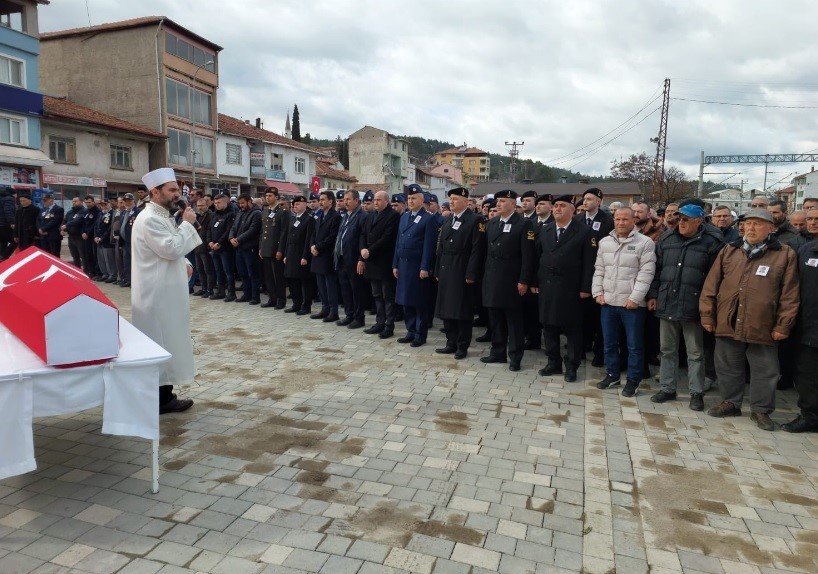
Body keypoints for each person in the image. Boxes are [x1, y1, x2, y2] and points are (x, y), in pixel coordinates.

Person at [701, 209, 799, 430]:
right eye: (748, 224)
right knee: (727, 364)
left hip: (762, 323)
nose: (751, 228)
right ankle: (730, 402)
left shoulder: (784, 254)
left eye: (758, 224)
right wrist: (707, 314)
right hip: (729, 318)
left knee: (766, 369)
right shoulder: (730, 250)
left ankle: (761, 410)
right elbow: (711, 285)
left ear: (771, 228)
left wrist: (783, 325)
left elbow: (790, 294)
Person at [131, 168, 201, 414]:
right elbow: (170, 248)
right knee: (161, 342)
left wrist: (186, 264)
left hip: (166, 291)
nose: (176, 195)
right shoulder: (150, 218)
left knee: (169, 341)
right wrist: (188, 225)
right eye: (171, 190)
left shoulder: (162, 216)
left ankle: (164, 394)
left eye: (176, 190)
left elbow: (171, 252)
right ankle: (161, 399)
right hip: (157, 295)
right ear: (154, 192)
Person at [648, 203, 723, 410]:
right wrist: (653, 295)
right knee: (667, 350)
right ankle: (667, 388)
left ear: (699, 221)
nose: (680, 222)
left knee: (695, 353)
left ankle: (696, 393)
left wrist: (709, 306)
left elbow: (715, 279)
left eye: (686, 219)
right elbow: (657, 270)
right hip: (667, 302)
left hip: (694, 305)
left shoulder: (712, 242)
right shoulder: (666, 238)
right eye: (679, 218)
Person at [593, 207, 656, 397]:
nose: (621, 223)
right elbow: (599, 270)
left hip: (632, 305)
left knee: (634, 345)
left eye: (625, 219)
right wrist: (597, 292)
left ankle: (633, 380)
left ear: (633, 220)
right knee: (609, 342)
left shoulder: (645, 243)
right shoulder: (605, 242)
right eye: (617, 219)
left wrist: (635, 298)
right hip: (608, 302)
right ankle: (612, 374)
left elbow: (646, 273)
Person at [532, 195, 595, 382]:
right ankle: (553, 362)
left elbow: (589, 263)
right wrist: (535, 282)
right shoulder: (546, 230)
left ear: (572, 210)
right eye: (556, 206)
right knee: (548, 326)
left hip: (571, 289)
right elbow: (537, 258)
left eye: (562, 206)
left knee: (572, 329)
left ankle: (572, 366)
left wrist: (586, 287)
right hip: (547, 287)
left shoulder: (584, 231)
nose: (557, 209)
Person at [480, 190, 535, 371]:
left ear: (513, 203)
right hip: (493, 279)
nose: (498, 204)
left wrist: (524, 280)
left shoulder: (523, 224)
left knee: (514, 322)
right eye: (498, 201)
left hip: (512, 280)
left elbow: (528, 256)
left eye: (503, 201)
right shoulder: (493, 223)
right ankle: (498, 352)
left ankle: (515, 357)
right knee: (495, 320)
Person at [434, 187, 487, 360]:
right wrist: (437, 269)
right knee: (447, 309)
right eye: (451, 199)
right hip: (446, 270)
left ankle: (462, 346)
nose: (452, 202)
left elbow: (477, 250)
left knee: (462, 311)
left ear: (465, 201)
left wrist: (471, 273)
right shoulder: (448, 220)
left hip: (462, 271)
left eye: (456, 199)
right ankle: (451, 342)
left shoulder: (475, 220)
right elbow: (440, 248)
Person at [393, 184, 438, 347]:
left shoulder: (429, 218)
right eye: (409, 198)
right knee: (406, 301)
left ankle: (420, 334)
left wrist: (425, 267)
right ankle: (410, 331)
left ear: (422, 199)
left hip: (417, 267)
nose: (411, 201)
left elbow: (429, 245)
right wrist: (395, 264)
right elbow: (399, 242)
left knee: (419, 302)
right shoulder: (404, 217)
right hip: (404, 266)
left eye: (414, 198)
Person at [781, 234, 818, 432]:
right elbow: (792, 286)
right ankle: (810, 417)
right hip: (807, 327)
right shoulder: (807, 250)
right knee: (806, 376)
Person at [577, 188, 614, 367]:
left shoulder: (608, 221)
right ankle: (582, 347)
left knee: (598, 316)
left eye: (590, 199)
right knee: (581, 315)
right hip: (580, 273)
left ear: (599, 201)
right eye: (584, 199)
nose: (585, 202)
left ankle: (599, 353)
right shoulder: (577, 220)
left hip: (601, 273)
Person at [361, 190, 400, 338]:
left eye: (378, 200)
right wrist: (363, 249)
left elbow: (387, 238)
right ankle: (379, 322)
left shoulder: (393, 216)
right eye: (374, 200)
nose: (375, 202)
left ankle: (389, 326)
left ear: (386, 201)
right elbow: (363, 234)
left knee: (387, 296)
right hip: (371, 261)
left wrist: (369, 250)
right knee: (376, 294)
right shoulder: (370, 215)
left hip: (384, 261)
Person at [335, 189, 368, 328]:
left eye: (348, 199)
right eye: (344, 199)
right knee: (345, 289)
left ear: (356, 200)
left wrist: (361, 258)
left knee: (357, 290)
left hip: (354, 259)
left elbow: (364, 239)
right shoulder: (346, 215)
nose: (345, 202)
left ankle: (359, 318)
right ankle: (349, 315)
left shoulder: (362, 216)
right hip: (342, 258)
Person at [311, 190, 342, 321]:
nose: (321, 202)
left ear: (330, 201)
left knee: (330, 285)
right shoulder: (319, 215)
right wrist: (312, 245)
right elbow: (314, 233)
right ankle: (325, 309)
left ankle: (333, 311)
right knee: (321, 284)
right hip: (317, 254)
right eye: (320, 199)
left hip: (327, 255)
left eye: (323, 199)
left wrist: (318, 247)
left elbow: (332, 237)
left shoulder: (335, 216)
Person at [282, 195, 314, 315]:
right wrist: (285, 254)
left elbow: (308, 239)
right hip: (291, 253)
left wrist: (305, 256)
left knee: (304, 282)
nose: (295, 206)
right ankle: (296, 304)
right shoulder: (292, 218)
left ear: (305, 205)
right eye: (294, 205)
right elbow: (288, 238)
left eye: (298, 204)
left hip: (301, 254)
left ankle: (306, 306)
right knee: (292, 280)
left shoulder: (309, 219)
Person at [259, 186, 290, 309]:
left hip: (276, 248)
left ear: (276, 197)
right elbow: (263, 231)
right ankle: (272, 298)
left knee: (278, 277)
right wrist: (261, 247)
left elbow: (284, 232)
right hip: (266, 248)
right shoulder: (265, 210)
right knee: (268, 276)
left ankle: (281, 300)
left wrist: (280, 250)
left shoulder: (282, 212)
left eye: (270, 196)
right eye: (266, 196)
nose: (268, 198)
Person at [229, 193, 262, 305]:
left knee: (253, 273)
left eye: (243, 203)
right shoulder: (240, 213)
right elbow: (233, 227)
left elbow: (252, 230)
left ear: (249, 201)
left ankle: (255, 297)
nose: (241, 205)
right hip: (239, 248)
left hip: (250, 248)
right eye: (239, 203)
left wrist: (237, 240)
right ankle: (246, 294)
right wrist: (231, 238)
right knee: (242, 273)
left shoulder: (257, 213)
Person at [207, 193, 237, 301]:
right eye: (215, 203)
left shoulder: (230, 214)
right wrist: (210, 241)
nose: (216, 205)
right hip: (214, 247)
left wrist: (219, 243)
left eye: (219, 202)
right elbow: (210, 229)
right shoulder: (214, 214)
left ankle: (231, 292)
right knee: (218, 270)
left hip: (225, 248)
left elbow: (228, 231)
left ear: (225, 202)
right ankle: (221, 291)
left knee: (228, 271)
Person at [192, 198, 215, 298]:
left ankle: (210, 289)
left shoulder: (211, 215)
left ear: (207, 205)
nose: (200, 208)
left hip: (205, 246)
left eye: (202, 205)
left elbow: (209, 231)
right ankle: (203, 288)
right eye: (198, 205)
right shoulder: (197, 217)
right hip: (197, 246)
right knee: (199, 269)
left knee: (208, 270)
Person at [93, 199, 116, 282]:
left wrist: (102, 238)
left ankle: (112, 275)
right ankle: (105, 274)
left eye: (105, 204)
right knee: (101, 259)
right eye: (102, 205)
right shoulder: (100, 213)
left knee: (109, 259)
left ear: (110, 204)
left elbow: (110, 228)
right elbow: (96, 226)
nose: (103, 206)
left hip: (107, 241)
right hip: (98, 240)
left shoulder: (113, 214)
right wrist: (95, 236)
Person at [118, 193, 138, 286]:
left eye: (129, 200)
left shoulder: (138, 211)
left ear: (133, 201)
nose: (127, 202)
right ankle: (128, 280)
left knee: (135, 263)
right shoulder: (123, 213)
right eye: (125, 201)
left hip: (134, 242)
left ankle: (135, 281)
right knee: (127, 263)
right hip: (125, 242)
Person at [36, 192, 64, 257]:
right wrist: (39, 229)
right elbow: (38, 220)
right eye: (43, 200)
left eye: (45, 200)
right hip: (43, 236)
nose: (43, 202)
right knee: (46, 255)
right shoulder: (43, 209)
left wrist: (43, 229)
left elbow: (55, 221)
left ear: (51, 200)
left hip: (53, 236)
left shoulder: (58, 209)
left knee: (54, 254)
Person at [81, 196, 101, 279]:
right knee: (88, 255)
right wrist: (82, 232)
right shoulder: (86, 211)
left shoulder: (97, 211)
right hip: (86, 237)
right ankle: (91, 271)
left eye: (89, 202)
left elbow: (95, 225)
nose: (88, 204)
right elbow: (83, 223)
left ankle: (97, 273)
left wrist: (88, 233)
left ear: (93, 202)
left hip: (93, 236)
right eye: (86, 202)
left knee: (95, 255)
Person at [0, 187, 15, 260]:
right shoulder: (9, 199)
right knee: (15, 241)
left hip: (1, 225)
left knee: (3, 241)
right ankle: (4, 256)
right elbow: (8, 211)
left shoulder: (1, 199)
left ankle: (1, 257)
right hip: (5, 225)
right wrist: (12, 222)